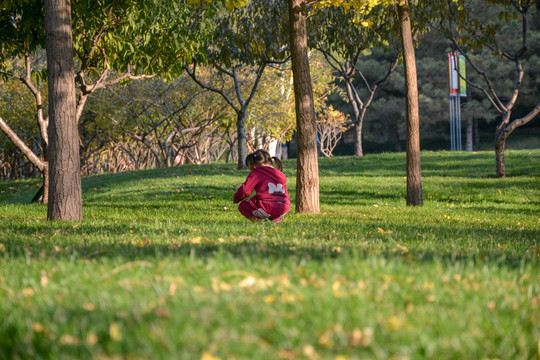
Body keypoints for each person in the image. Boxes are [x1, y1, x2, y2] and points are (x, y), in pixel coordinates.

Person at [233, 149, 290, 222]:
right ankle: (276, 220)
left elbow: (245, 190)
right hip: (284, 208)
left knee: (243, 206)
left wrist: (236, 198)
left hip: (266, 207)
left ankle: (259, 222)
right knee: (276, 200)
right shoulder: (279, 173)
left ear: (253, 165)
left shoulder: (257, 172)